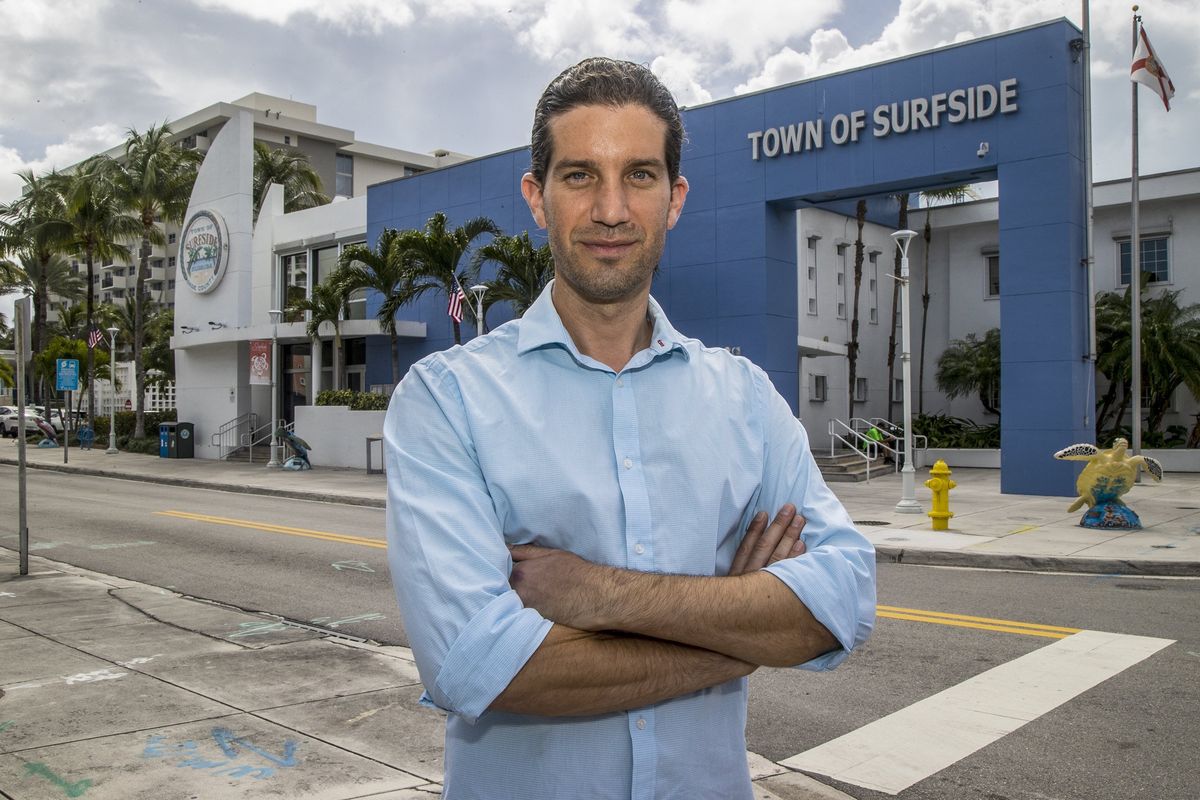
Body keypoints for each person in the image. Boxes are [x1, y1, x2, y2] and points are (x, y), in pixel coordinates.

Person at [384, 57, 876, 800]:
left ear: (675, 198)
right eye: (581, 175)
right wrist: (736, 631)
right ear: (536, 198)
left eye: (640, 175)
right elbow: (478, 665)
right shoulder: (446, 400)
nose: (612, 209)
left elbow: (841, 600)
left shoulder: (742, 397)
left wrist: (596, 594)